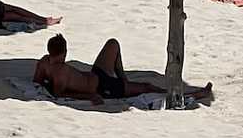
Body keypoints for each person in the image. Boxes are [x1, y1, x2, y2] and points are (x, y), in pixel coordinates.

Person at [34, 34, 212, 105]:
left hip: (96, 74)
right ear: (64, 52)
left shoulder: (43, 62)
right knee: (147, 87)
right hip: (103, 88)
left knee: (113, 44)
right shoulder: (61, 73)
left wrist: (46, 82)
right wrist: (89, 96)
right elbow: (59, 94)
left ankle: (123, 79)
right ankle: (193, 94)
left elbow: (37, 81)